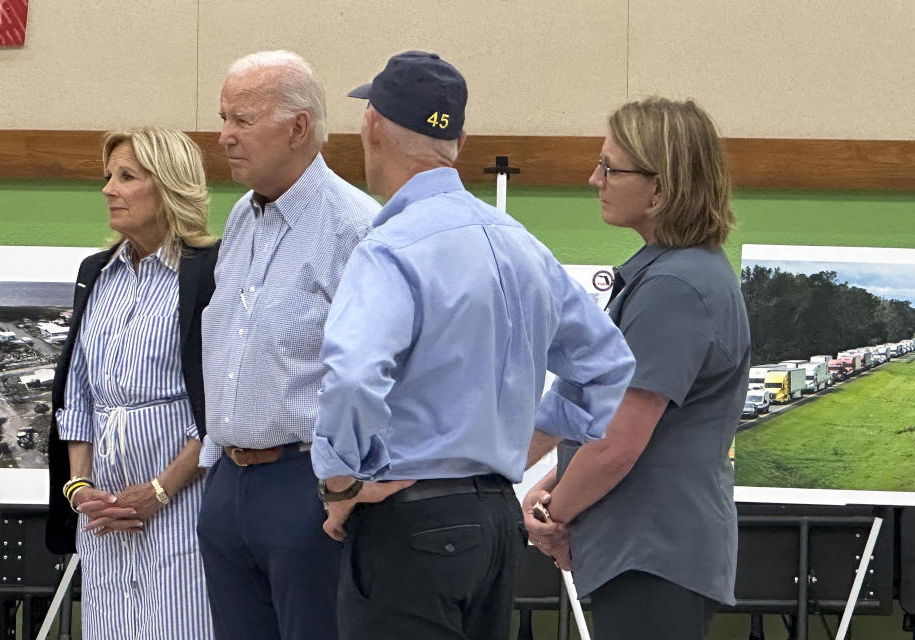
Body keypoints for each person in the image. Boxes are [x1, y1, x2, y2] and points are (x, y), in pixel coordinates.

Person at [310, 50, 636, 640]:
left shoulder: (391, 248)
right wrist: (524, 437)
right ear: (458, 141)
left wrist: (341, 483)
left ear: (372, 126)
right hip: (493, 522)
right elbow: (609, 367)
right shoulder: (522, 246)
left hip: (406, 520)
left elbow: (354, 378)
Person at [523, 97, 751, 640]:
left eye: (610, 167)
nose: (593, 179)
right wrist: (556, 485)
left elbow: (618, 443)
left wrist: (556, 516)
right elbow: (626, 424)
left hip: (652, 554)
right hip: (651, 549)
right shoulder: (677, 275)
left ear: (661, 188)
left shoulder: (674, 288)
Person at [195, 50, 379, 640]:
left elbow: (376, 371)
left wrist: (341, 486)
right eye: (224, 118)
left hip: (309, 486)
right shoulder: (242, 219)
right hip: (229, 483)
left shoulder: (356, 226)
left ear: (298, 127)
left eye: (242, 121)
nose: (223, 136)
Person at [45, 126, 219, 639]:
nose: (107, 189)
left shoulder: (210, 271)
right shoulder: (96, 272)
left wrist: (161, 491)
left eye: (126, 176)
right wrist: (81, 489)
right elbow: (77, 392)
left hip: (185, 506)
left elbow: (219, 405)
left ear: (168, 185)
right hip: (101, 514)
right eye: (108, 176)